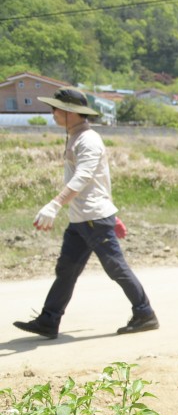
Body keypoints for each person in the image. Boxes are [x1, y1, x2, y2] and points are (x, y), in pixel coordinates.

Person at [12, 88, 158, 340]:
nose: (53, 113)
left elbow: (85, 177)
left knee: (115, 267)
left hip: (93, 217)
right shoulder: (74, 136)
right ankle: (49, 319)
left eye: (56, 109)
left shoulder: (88, 140)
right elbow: (101, 181)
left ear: (70, 112)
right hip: (82, 218)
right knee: (67, 269)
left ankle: (145, 313)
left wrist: (55, 204)